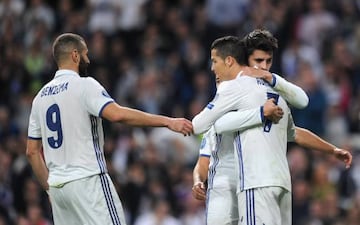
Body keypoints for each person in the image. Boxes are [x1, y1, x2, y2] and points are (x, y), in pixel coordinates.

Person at [26, 33, 193, 225]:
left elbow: (31, 152)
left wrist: (49, 188)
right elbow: (117, 115)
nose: (88, 59)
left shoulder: (39, 98)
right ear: (75, 55)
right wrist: (167, 121)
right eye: (85, 54)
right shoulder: (84, 85)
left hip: (58, 188)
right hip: (87, 181)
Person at [191, 33, 352, 225]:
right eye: (258, 61)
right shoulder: (274, 97)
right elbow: (212, 137)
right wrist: (261, 112)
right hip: (245, 184)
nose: (263, 67)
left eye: (268, 62)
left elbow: (295, 127)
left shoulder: (259, 89)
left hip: (254, 182)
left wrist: (331, 150)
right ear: (246, 59)